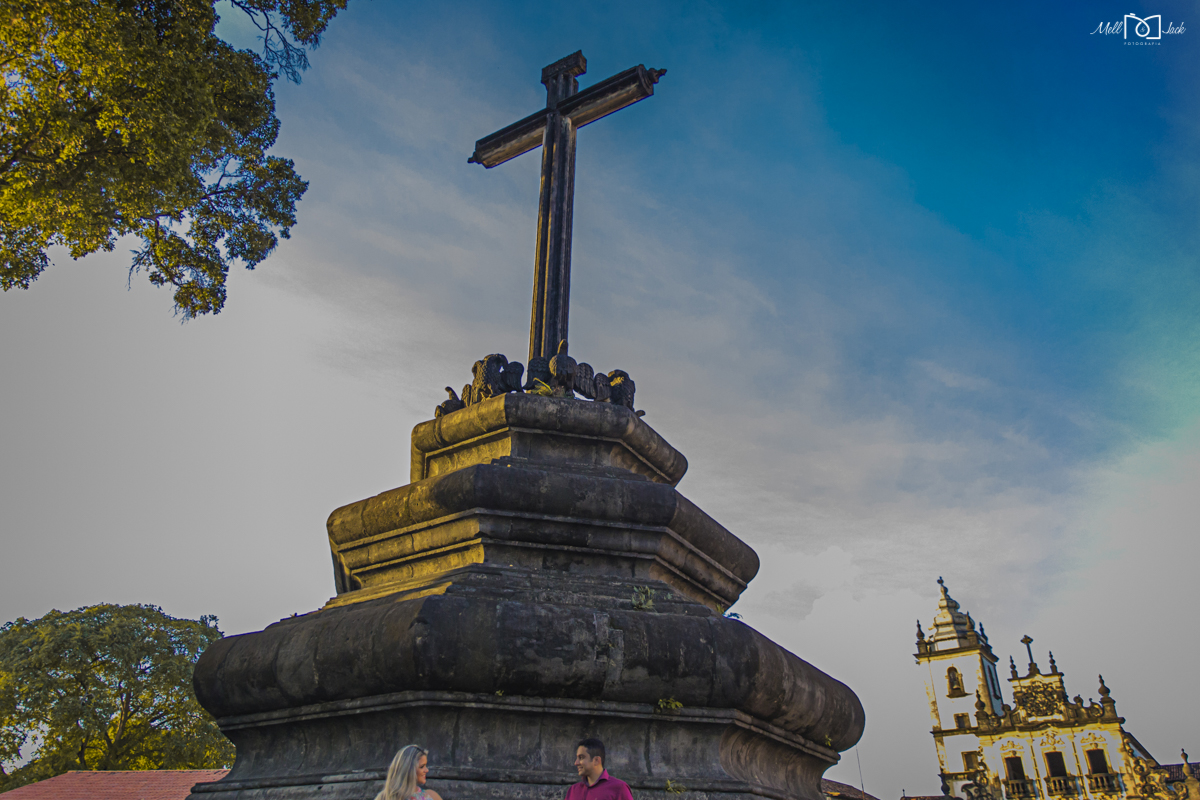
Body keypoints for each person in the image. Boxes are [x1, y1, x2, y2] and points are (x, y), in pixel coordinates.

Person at [565, 738, 633, 800]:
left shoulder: (619, 788)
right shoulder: (573, 790)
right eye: (577, 758)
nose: (576, 763)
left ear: (596, 760)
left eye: (581, 757)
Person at [375, 744, 444, 800]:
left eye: (426, 765)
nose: (427, 770)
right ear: (409, 770)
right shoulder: (384, 797)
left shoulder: (432, 796)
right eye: (422, 766)